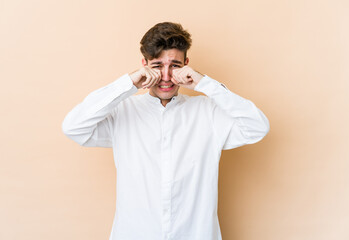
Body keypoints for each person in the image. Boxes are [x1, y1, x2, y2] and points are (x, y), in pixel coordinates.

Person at [62, 22, 270, 240]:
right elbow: (74, 127)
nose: (167, 76)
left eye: (175, 66)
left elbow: (257, 127)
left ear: (187, 65)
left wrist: (204, 83)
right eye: (157, 66)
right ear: (144, 65)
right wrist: (129, 83)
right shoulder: (122, 112)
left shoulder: (208, 113)